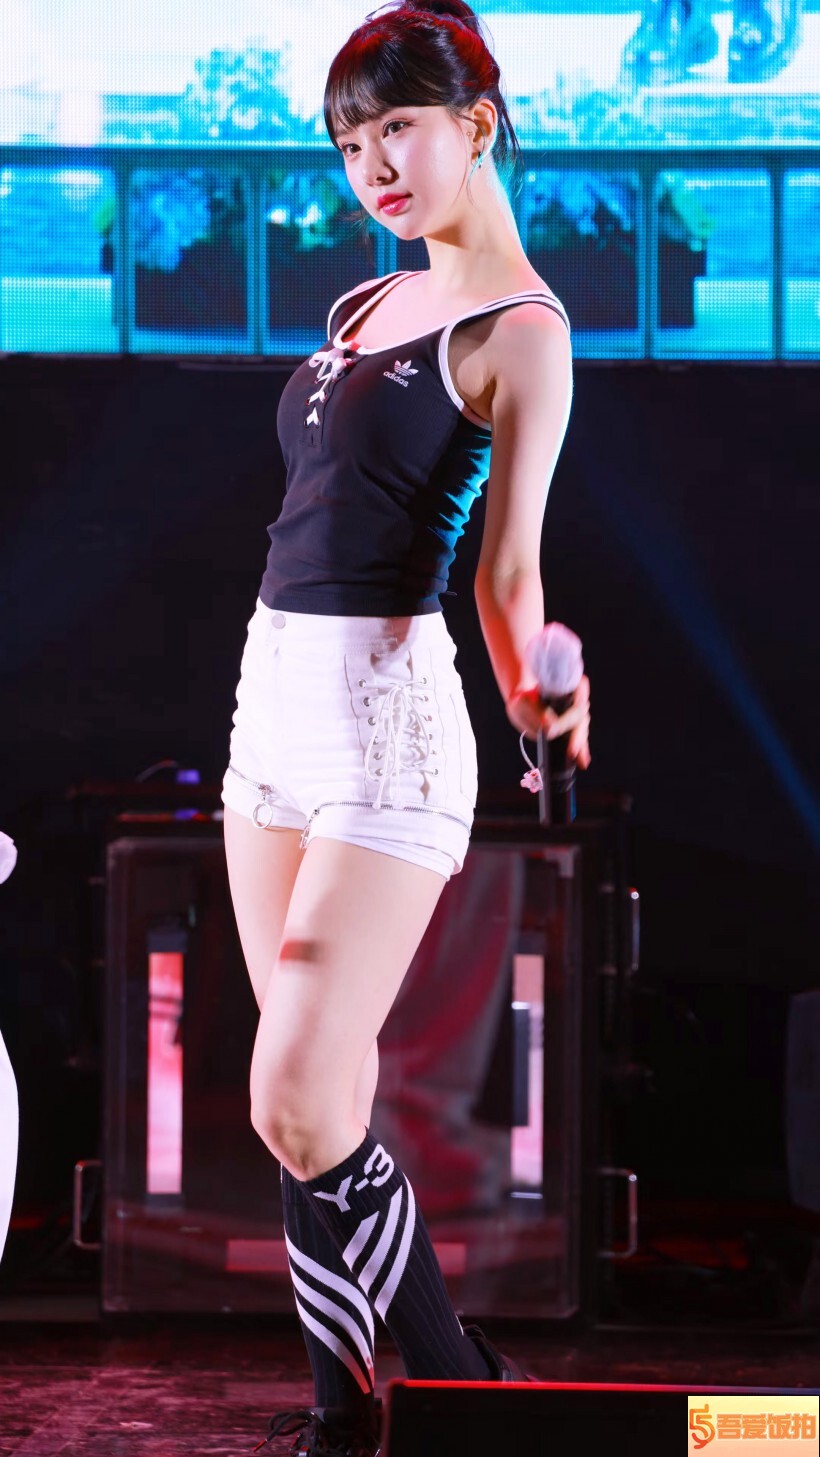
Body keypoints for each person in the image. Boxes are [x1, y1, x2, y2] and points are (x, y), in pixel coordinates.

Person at [220, 3, 591, 1453]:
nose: (373, 165)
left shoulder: (523, 333)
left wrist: (539, 695)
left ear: (476, 126)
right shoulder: (362, 307)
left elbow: (508, 579)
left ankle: (460, 1391)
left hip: (387, 731)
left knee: (298, 1097)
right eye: (350, 142)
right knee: (313, 1100)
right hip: (268, 716)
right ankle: (347, 1414)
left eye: (399, 129)